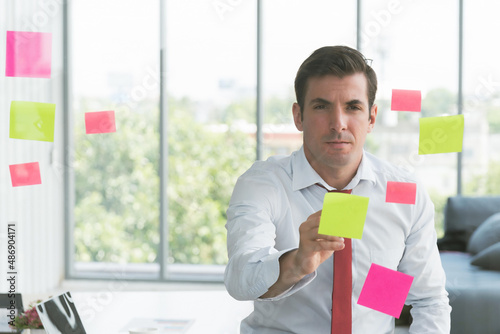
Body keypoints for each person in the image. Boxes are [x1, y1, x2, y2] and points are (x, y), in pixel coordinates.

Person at [224, 45, 451, 333]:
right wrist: (296, 263)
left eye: (353, 107)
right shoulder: (264, 184)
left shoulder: (405, 196)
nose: (338, 124)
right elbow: (240, 279)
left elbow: (429, 301)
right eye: (321, 106)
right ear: (298, 116)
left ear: (371, 118)